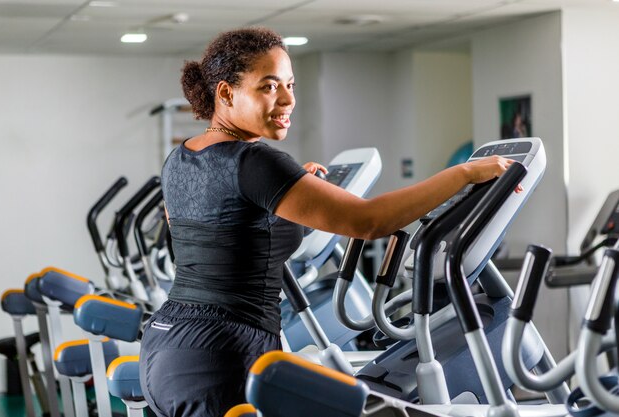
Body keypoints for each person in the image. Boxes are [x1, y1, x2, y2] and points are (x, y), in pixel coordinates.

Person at [139, 27, 519, 417]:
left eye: (290, 84)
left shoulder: (180, 159)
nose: (287, 99)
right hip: (224, 355)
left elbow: (222, 231)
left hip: (164, 347)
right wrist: (463, 174)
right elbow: (369, 221)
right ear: (225, 93)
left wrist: (292, 194)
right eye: (269, 87)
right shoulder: (256, 162)